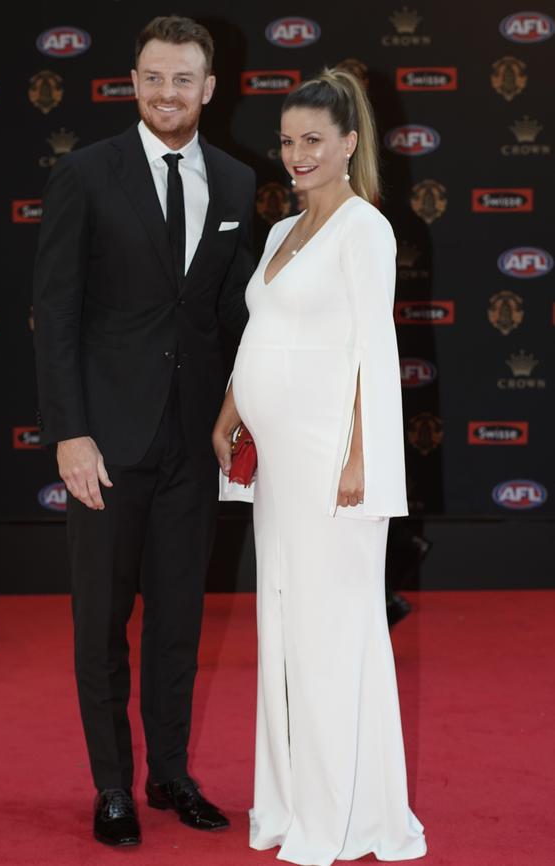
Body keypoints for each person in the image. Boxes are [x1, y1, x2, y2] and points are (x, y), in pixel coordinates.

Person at [33, 16, 255, 848]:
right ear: (134, 82)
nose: (168, 94)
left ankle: (169, 774)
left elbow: (235, 317)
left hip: (193, 445)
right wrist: (69, 433)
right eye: (153, 78)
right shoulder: (88, 174)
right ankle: (113, 786)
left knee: (178, 621)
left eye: (184, 80)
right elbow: (53, 314)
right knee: (100, 622)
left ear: (209, 87)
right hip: (107, 444)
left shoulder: (236, 182)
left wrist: (251, 412)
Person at [213, 70, 427, 863]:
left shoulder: (364, 229)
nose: (296, 155)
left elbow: (376, 350)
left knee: (334, 633)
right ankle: (293, 801)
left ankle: (342, 815)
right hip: (279, 472)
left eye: (312, 141)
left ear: (348, 144)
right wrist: (233, 407)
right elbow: (259, 336)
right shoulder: (279, 233)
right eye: (287, 141)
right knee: (285, 628)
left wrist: (361, 458)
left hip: (331, 464)